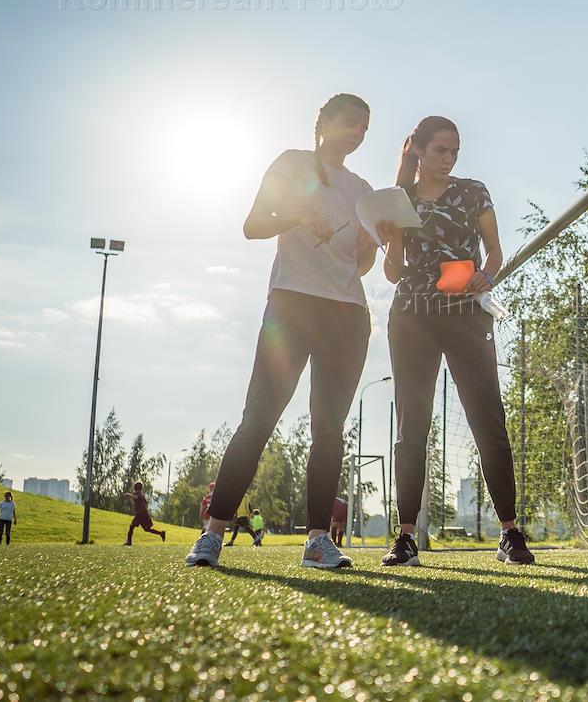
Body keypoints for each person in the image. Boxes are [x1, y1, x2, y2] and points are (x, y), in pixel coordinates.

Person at [186, 93, 377, 570]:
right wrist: (296, 215)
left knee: (329, 430)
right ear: (325, 122)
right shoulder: (290, 164)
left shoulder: (363, 189)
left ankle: (316, 541)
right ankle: (212, 534)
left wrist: (376, 240)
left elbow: (362, 264)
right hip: (291, 305)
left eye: (365, 128)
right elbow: (253, 225)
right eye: (350, 123)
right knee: (259, 418)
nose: (357, 133)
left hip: (347, 314)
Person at [377, 116, 535, 567]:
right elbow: (392, 273)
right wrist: (391, 242)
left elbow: (495, 253)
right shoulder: (399, 200)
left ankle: (509, 533)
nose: (448, 159)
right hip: (411, 319)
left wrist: (485, 277)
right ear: (420, 151)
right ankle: (405, 537)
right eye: (441, 150)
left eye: (455, 151)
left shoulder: (473, 192)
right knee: (413, 428)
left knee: (489, 420)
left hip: (466, 316)